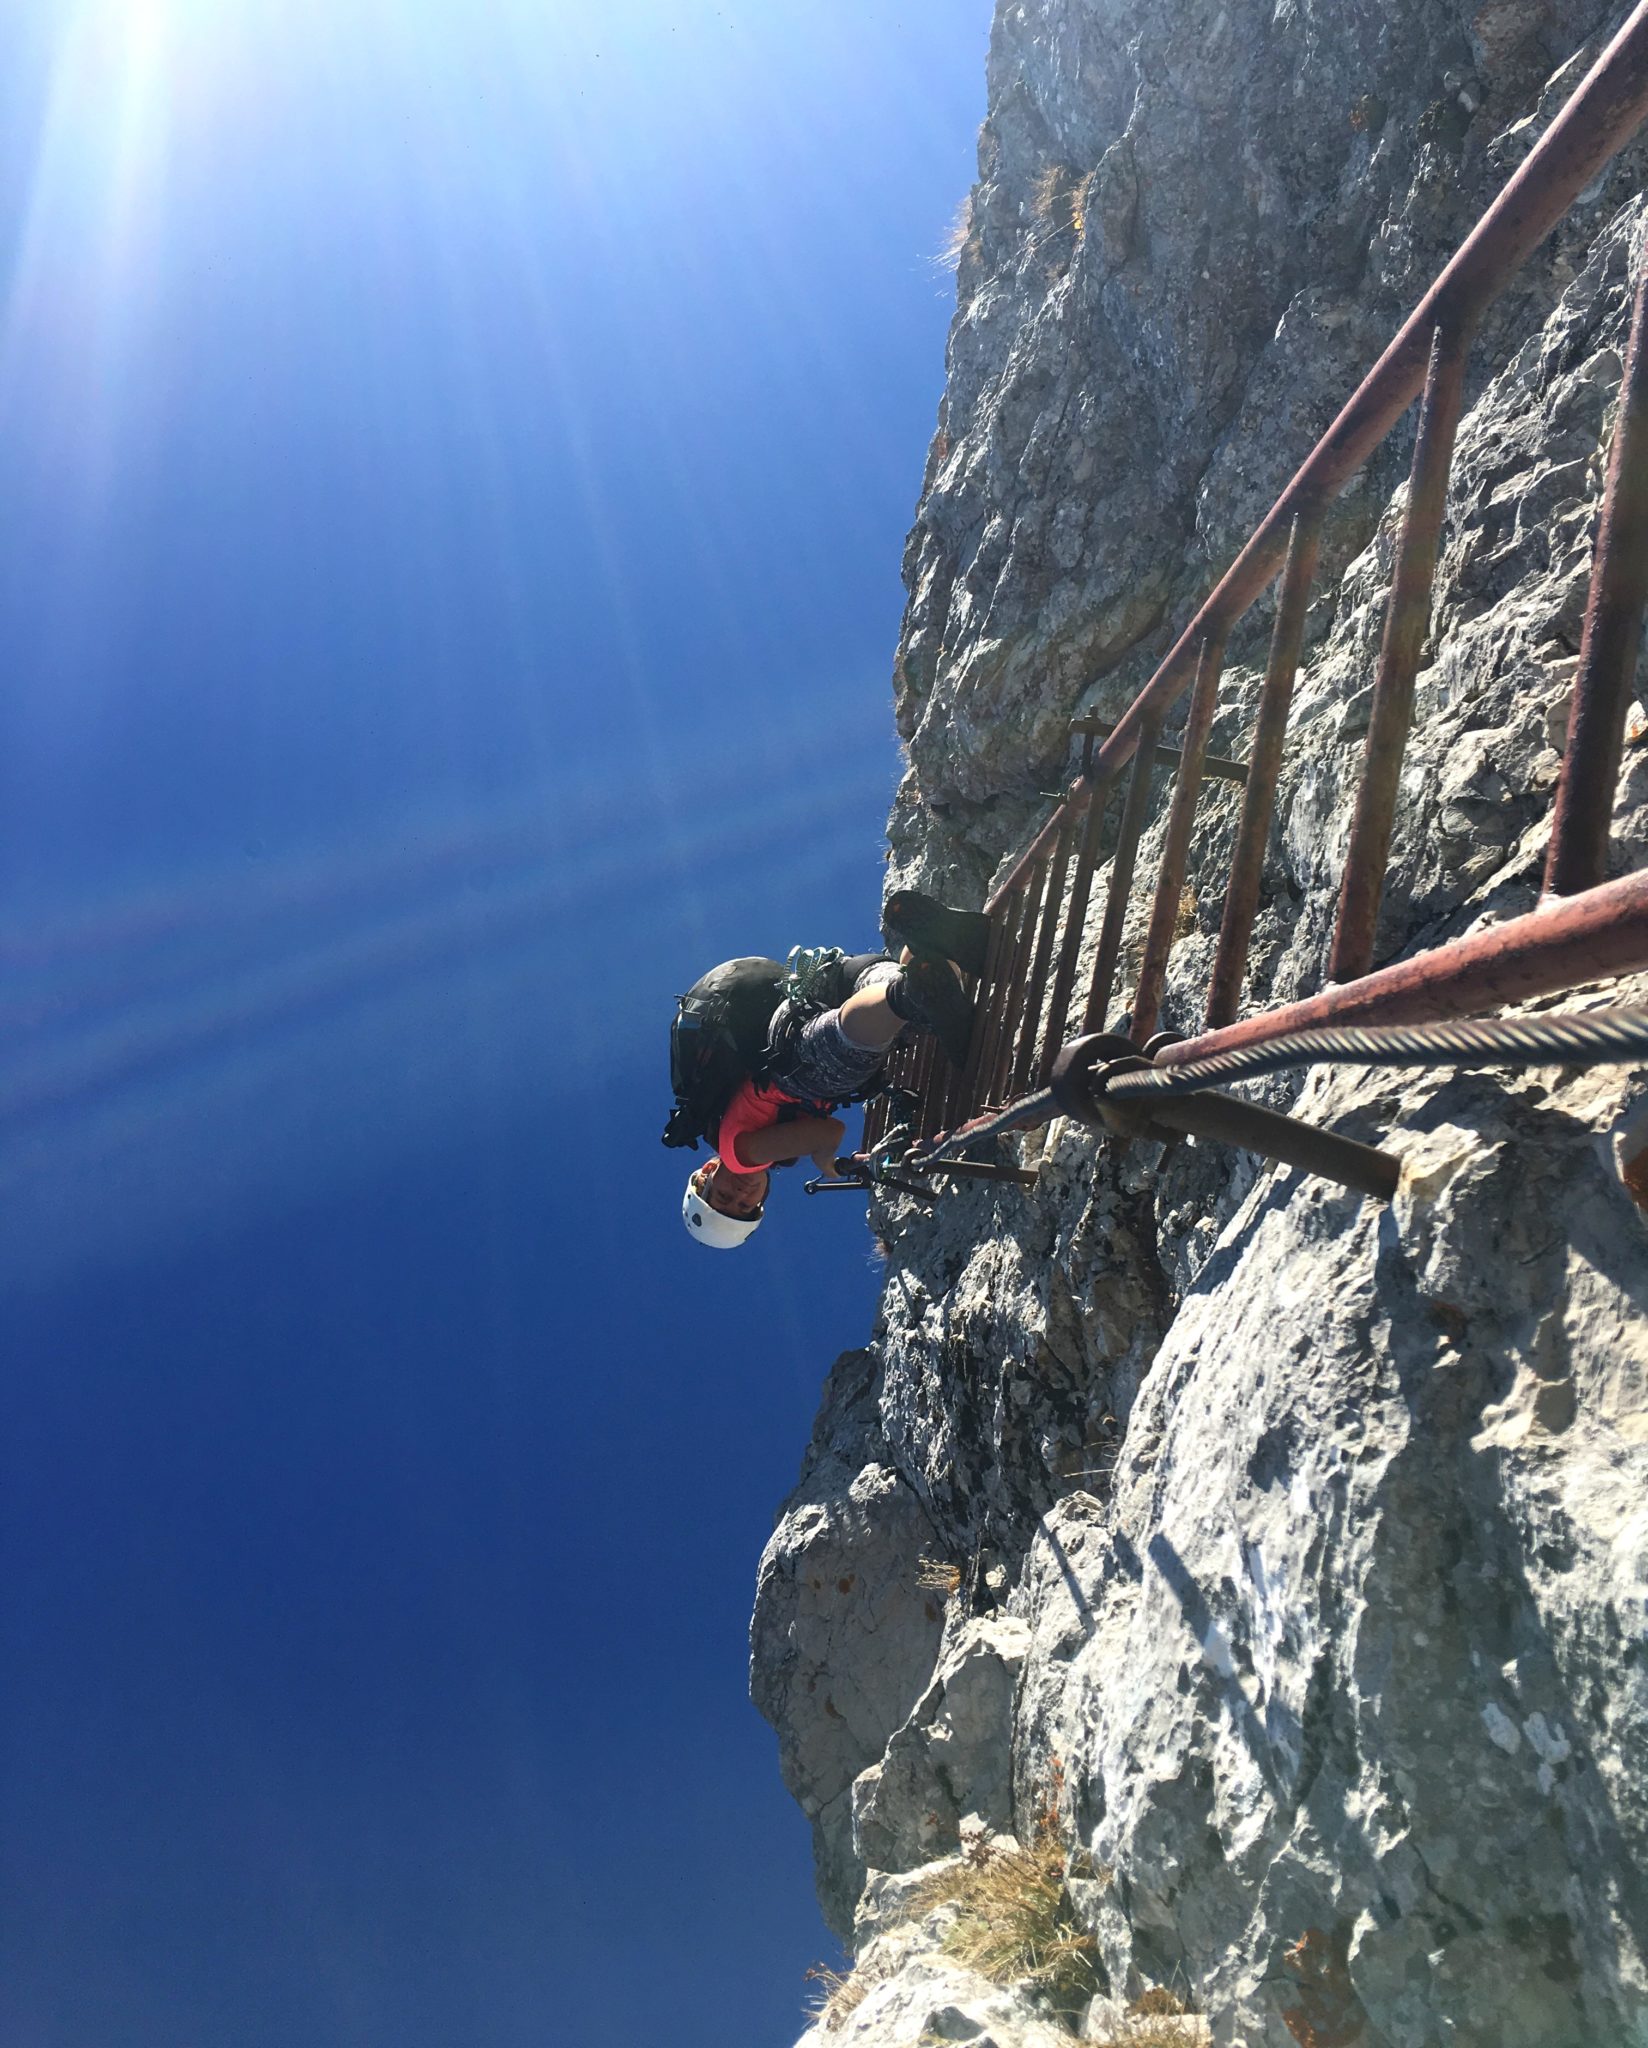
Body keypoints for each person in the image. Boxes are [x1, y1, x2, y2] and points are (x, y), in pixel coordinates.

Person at [682, 893, 990, 1250]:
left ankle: (906, 993)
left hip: (796, 1054)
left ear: (706, 1174)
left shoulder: (742, 1154)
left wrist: (826, 1163)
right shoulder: (731, 1128)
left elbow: (827, 1132)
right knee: (923, 999)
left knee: (843, 1062)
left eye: (722, 1199)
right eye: (745, 1207)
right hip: (819, 988)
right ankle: (926, 946)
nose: (739, 1196)